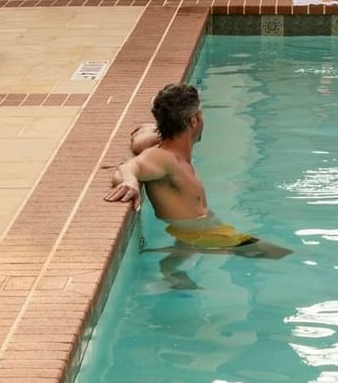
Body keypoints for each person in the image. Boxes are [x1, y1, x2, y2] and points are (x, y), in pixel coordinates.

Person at [104, 83, 289, 261]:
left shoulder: (163, 146)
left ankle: (172, 270)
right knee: (281, 255)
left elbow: (140, 138)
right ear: (193, 121)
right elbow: (129, 166)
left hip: (201, 229)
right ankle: (174, 266)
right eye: (201, 114)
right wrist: (130, 181)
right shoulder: (164, 158)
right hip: (204, 235)